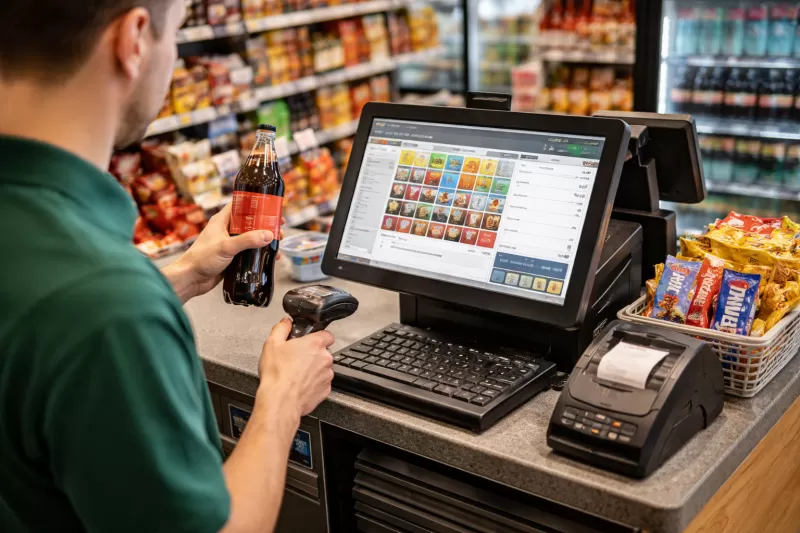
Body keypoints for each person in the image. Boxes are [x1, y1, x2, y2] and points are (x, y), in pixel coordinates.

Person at [0, 2, 335, 532]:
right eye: (175, 33)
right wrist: (282, 399)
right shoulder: (106, 303)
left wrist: (180, 275)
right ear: (133, 40)